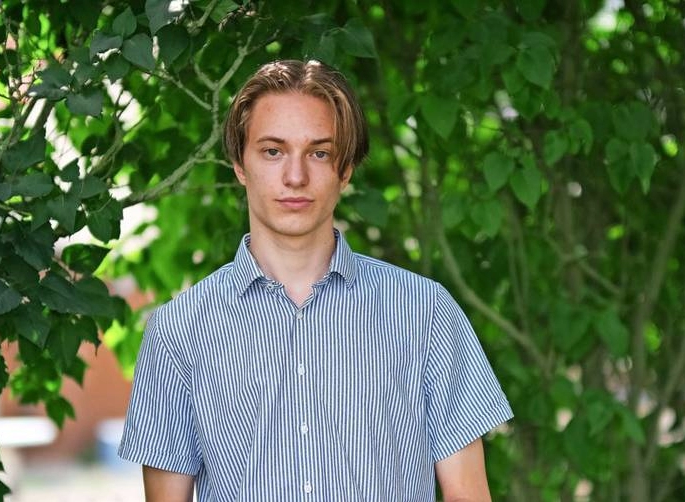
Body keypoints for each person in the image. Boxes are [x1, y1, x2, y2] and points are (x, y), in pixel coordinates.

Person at [119, 59, 513, 501]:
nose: (295, 177)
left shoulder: (425, 312)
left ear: (345, 170)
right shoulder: (178, 332)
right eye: (273, 151)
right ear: (240, 164)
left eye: (319, 153)